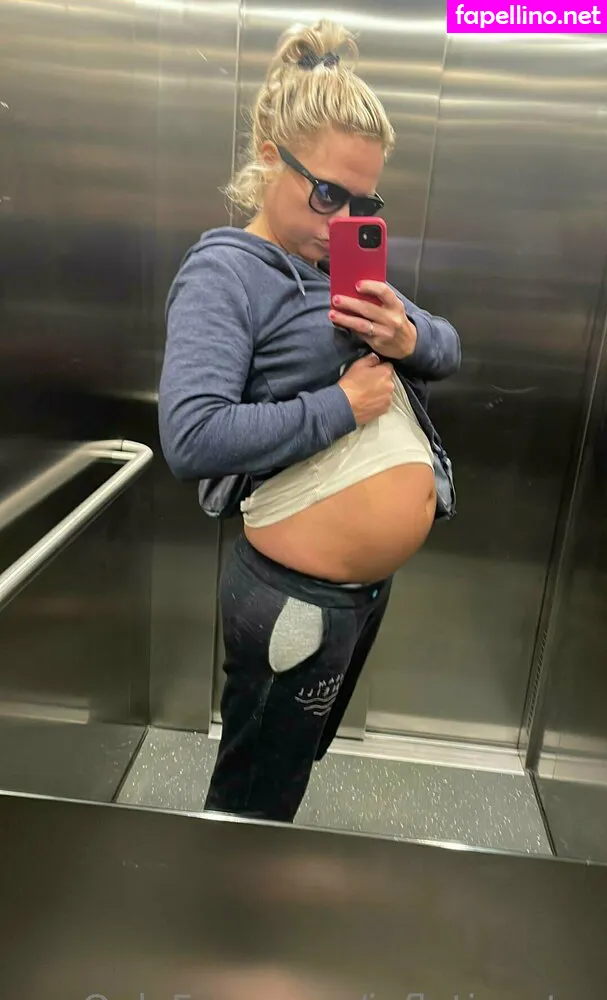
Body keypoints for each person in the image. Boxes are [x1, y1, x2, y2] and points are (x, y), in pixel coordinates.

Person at [158, 19, 461, 823]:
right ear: (270, 155)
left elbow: (450, 347)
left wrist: (408, 337)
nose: (342, 218)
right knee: (253, 795)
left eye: (364, 202)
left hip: (357, 594)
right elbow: (192, 436)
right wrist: (342, 406)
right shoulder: (224, 273)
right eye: (328, 193)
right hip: (289, 594)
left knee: (286, 768)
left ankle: (248, 889)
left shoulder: (341, 270)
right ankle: (225, 902)